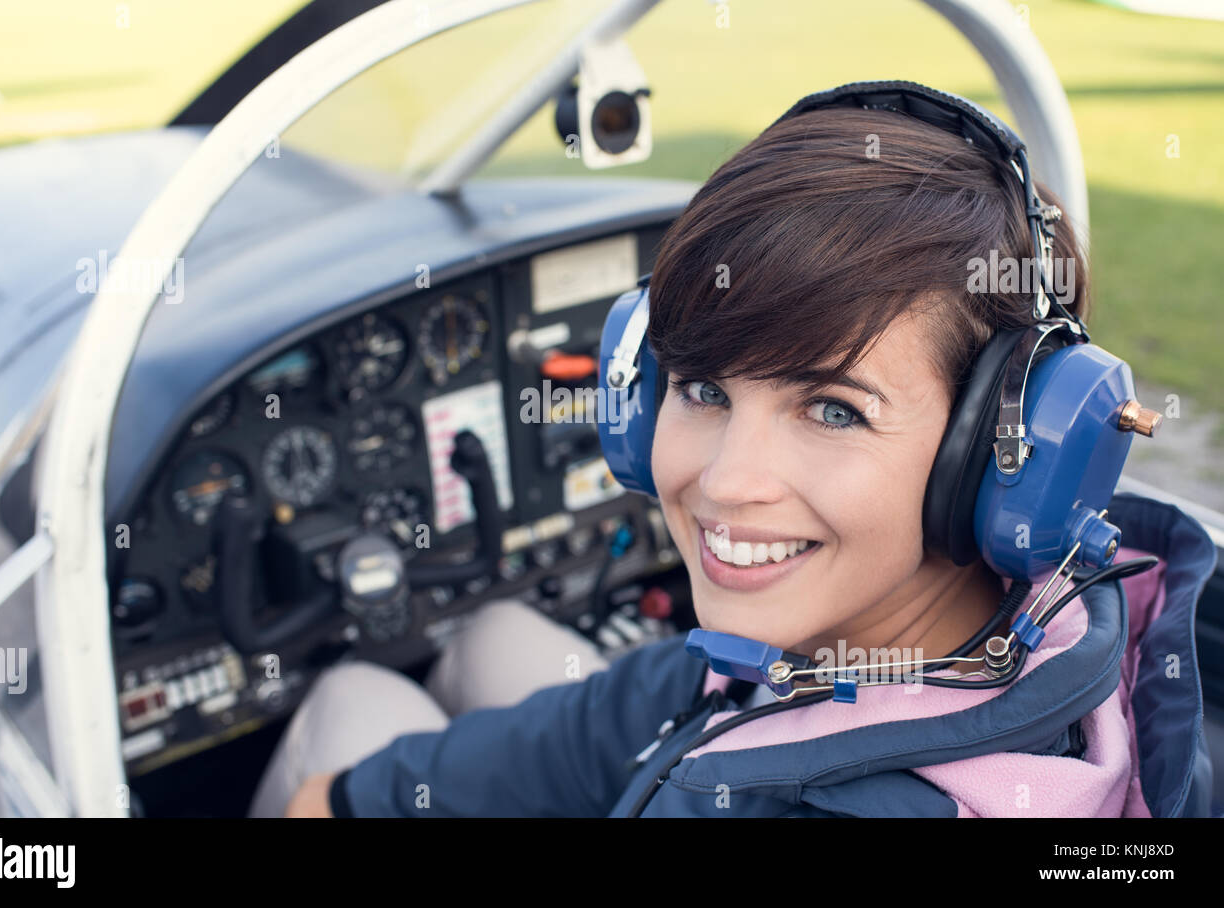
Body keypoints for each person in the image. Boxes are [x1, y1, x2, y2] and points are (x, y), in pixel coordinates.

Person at [255, 82, 1218, 818]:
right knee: (490, 639)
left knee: (347, 697)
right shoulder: (1035, 615)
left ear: (1009, 461)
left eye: (834, 410)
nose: (723, 483)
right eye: (704, 390)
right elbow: (666, 696)